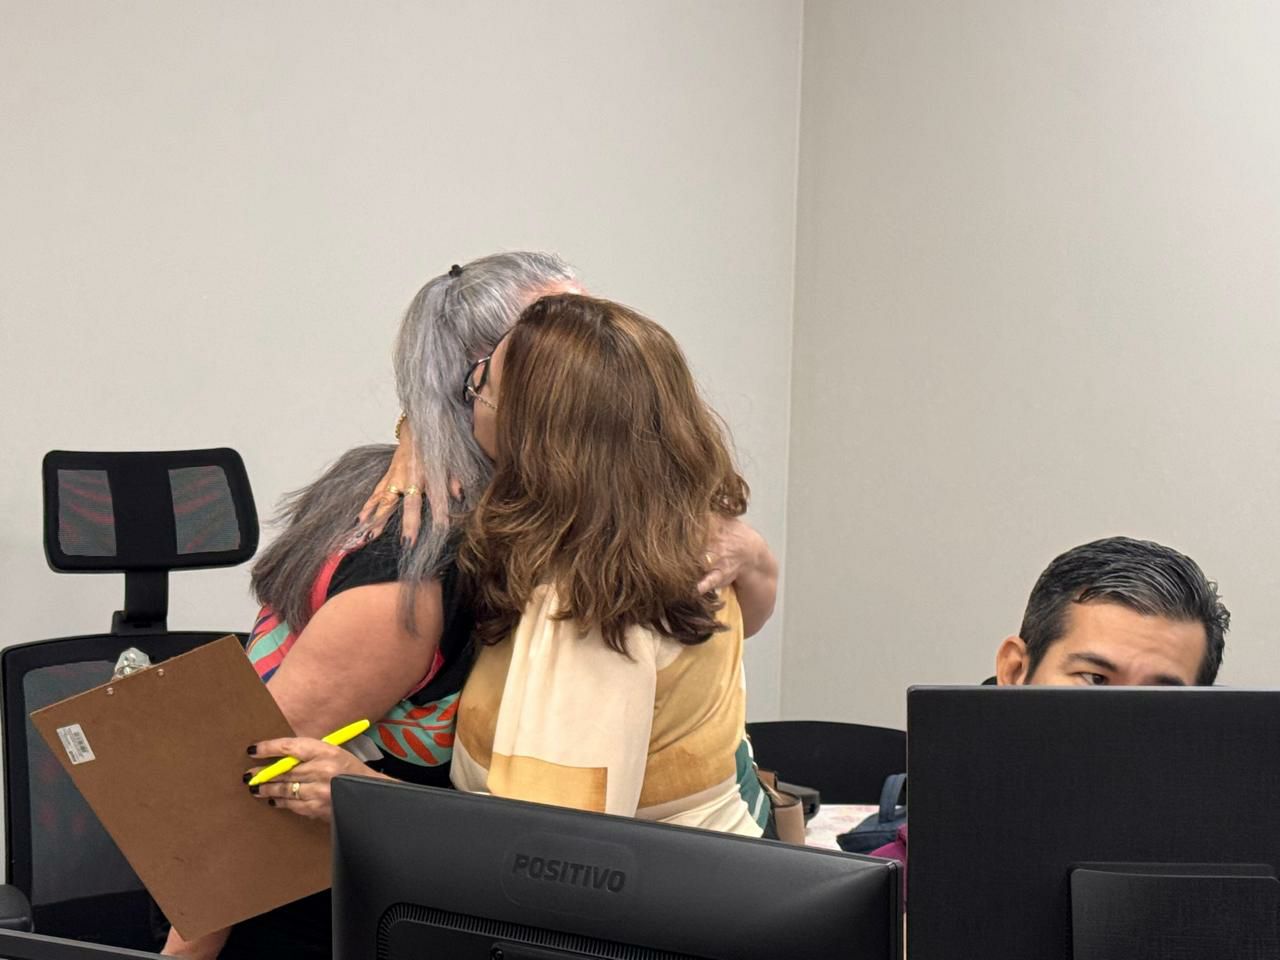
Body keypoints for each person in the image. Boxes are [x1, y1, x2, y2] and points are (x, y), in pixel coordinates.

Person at [165, 260, 779, 957]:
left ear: (541, 417)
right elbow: (237, 784)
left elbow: (552, 860)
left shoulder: (589, 598)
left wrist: (365, 797)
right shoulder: (652, 530)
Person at [250, 293, 775, 837]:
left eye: (482, 387)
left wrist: (361, 793)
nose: (470, 394)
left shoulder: (586, 609)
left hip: (651, 884)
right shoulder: (686, 528)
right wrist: (416, 429)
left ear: (532, 435)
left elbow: (552, 849)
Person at [871, 535, 1231, 879]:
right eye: (1094, 678)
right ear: (1015, 670)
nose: (1123, 723)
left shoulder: (1224, 868)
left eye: (1159, 695)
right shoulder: (905, 877)